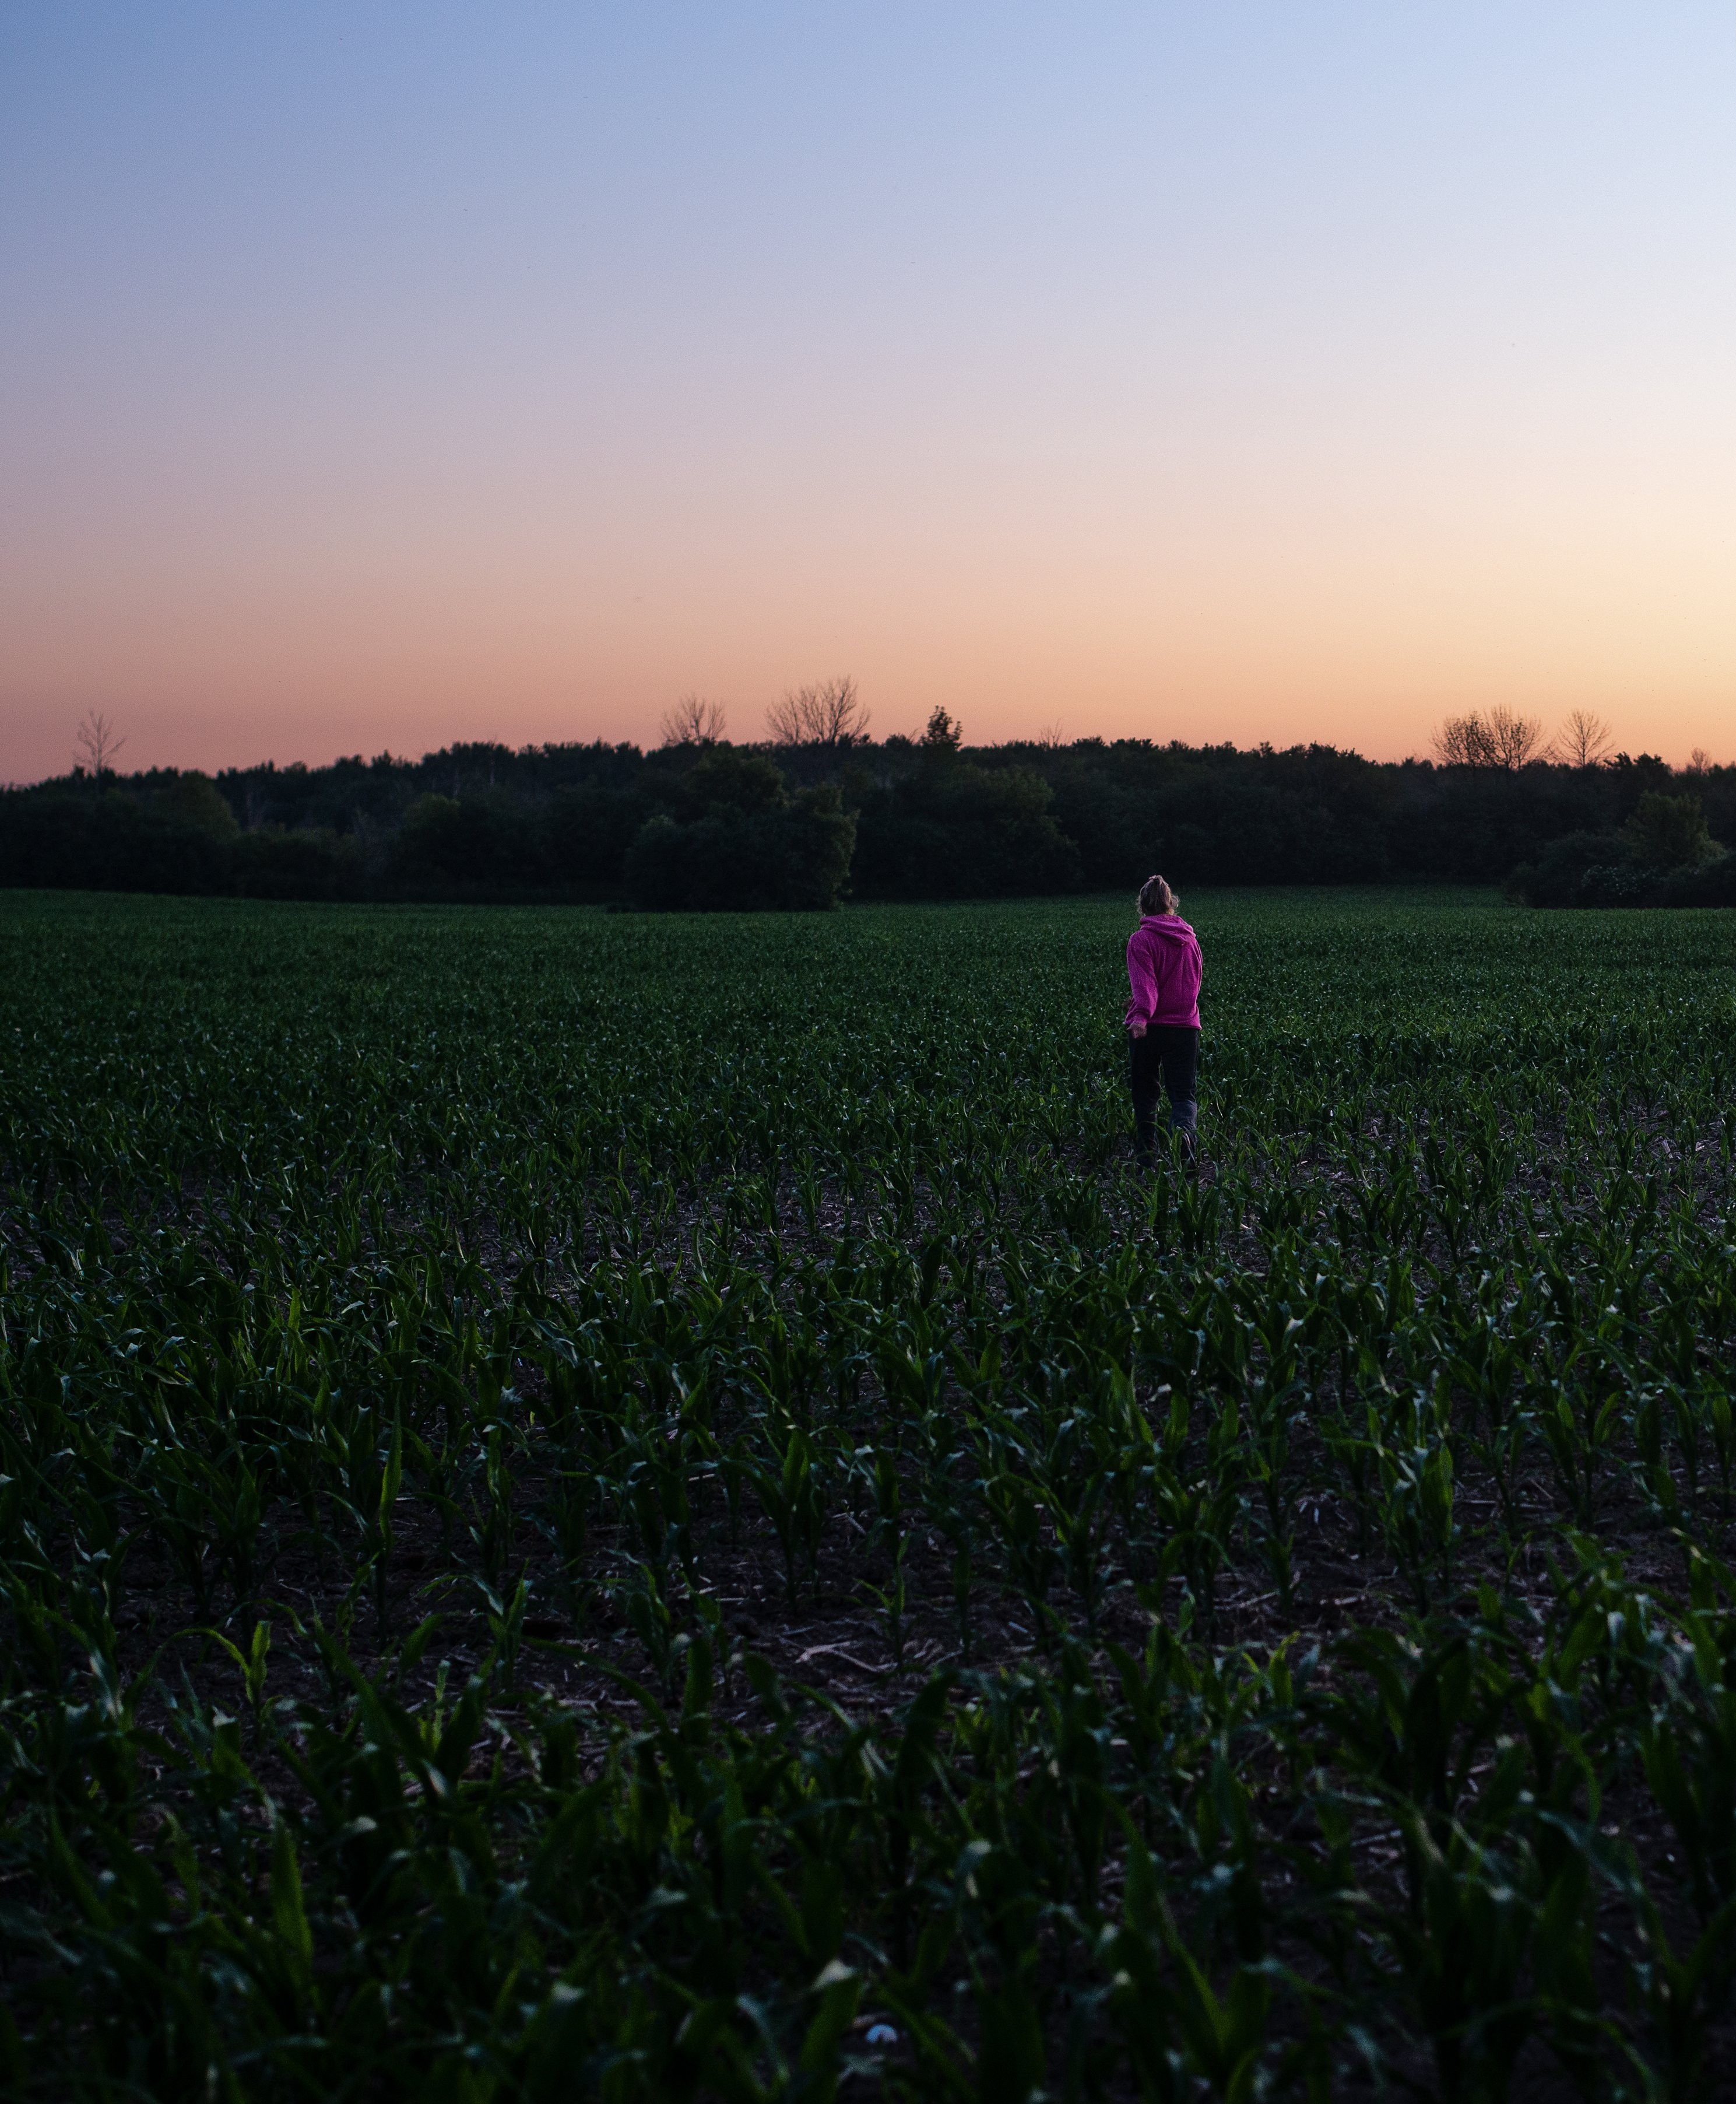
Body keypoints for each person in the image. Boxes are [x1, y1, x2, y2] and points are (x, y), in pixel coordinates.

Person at [1124, 874, 1202, 1167]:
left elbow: (1145, 985)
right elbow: (1193, 982)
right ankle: (1184, 1138)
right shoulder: (1190, 939)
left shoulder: (1141, 939)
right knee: (1183, 1094)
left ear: (1142, 906)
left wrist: (1141, 1015)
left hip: (1149, 1028)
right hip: (1185, 1027)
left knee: (1145, 1094)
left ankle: (1147, 1157)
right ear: (1171, 904)